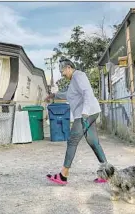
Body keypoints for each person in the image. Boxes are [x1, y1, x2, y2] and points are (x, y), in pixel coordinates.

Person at [45, 57, 107, 185]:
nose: (62, 74)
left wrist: (84, 113)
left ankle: (63, 175)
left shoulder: (79, 75)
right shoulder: (74, 81)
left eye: (63, 71)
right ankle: (107, 173)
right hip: (90, 112)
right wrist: (54, 95)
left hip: (85, 113)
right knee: (93, 142)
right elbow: (69, 94)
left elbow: (87, 93)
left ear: (69, 67)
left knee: (72, 140)